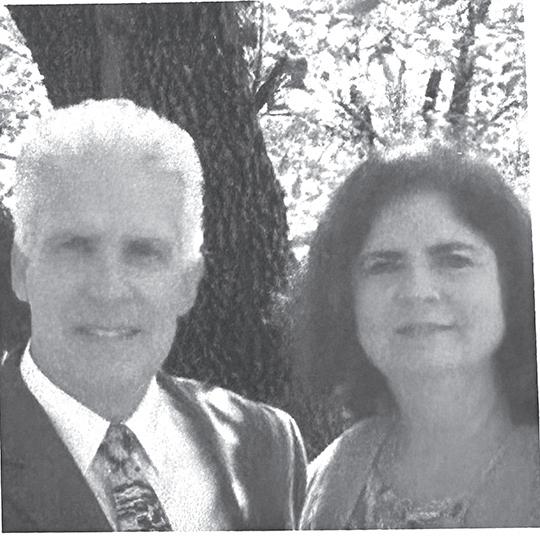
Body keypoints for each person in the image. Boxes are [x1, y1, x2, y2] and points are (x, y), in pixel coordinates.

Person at [0, 99, 306, 532]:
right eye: (75, 247)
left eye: (143, 252)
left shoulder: (266, 445)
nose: (108, 288)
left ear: (188, 282)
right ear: (21, 269)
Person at [298, 145, 540, 529]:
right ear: (344, 297)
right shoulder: (323, 484)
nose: (417, 291)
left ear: (514, 282)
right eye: (383, 265)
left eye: (454, 259)